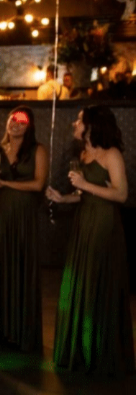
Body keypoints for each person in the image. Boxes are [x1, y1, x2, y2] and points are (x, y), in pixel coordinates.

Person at [47, 106, 134, 375]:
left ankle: (100, 352)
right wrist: (64, 198)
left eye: (79, 120)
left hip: (104, 224)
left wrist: (84, 185)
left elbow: (121, 195)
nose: (74, 123)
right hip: (84, 221)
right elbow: (87, 194)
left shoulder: (112, 154)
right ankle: (80, 347)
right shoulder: (83, 153)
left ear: (92, 126)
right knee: (79, 281)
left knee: (98, 280)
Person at [0, 106, 48, 352]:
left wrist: (6, 182)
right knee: (1, 267)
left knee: (20, 268)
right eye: (12, 120)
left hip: (24, 218)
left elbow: (39, 184)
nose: (16, 125)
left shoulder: (37, 150)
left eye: (21, 121)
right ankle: (0, 329)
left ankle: (21, 331)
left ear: (29, 126)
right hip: (1, 215)